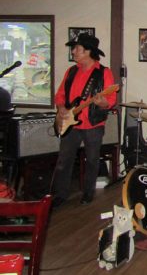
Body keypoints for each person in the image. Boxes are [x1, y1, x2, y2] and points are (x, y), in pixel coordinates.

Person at [51, 33, 116, 208]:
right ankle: (60, 195)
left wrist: (102, 102)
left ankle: (88, 193)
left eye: (77, 48)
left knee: (92, 160)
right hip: (70, 123)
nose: (73, 52)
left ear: (88, 51)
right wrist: (62, 109)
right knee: (64, 160)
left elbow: (110, 101)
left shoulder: (104, 72)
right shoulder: (71, 71)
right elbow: (60, 95)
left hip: (93, 124)